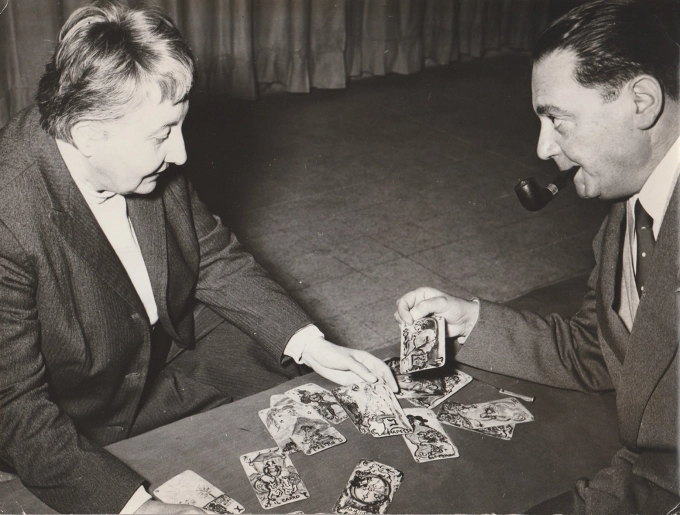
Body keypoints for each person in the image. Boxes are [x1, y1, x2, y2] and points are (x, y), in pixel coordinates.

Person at [0, 2, 397, 513]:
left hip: (166, 347)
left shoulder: (137, 144)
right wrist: (139, 509)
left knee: (313, 413)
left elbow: (212, 256)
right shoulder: (7, 216)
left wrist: (311, 345)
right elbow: (15, 406)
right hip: (75, 407)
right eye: (163, 134)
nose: (181, 154)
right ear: (88, 134)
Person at [395, 1, 679, 513]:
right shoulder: (628, 209)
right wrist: (470, 321)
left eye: (557, 120)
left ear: (642, 102)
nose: (544, 148)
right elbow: (597, 350)